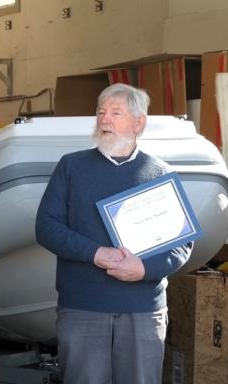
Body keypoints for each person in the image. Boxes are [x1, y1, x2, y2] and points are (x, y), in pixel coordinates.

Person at [35, 83, 192, 384]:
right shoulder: (71, 167)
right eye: (101, 112)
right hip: (83, 308)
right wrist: (96, 253)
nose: (104, 119)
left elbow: (182, 243)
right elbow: (46, 227)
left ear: (139, 123)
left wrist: (144, 268)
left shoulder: (159, 173)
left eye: (115, 113)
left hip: (143, 312)